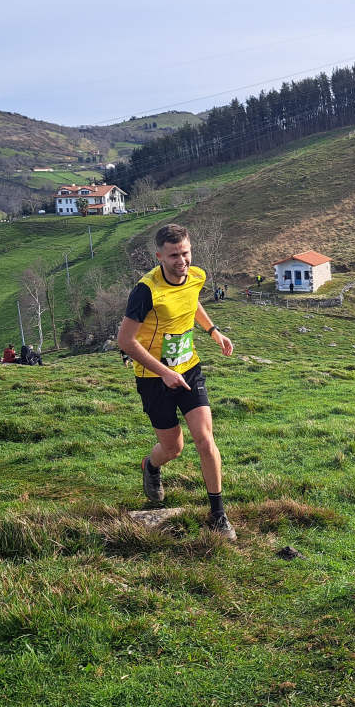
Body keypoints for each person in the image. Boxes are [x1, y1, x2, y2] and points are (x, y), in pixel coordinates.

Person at [117, 223, 237, 539]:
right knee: (173, 448)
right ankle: (151, 466)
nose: (181, 260)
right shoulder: (146, 290)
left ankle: (218, 515)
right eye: (173, 256)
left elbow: (191, 301)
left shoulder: (196, 275)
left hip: (189, 368)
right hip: (153, 378)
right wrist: (163, 372)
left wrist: (213, 331)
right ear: (159, 256)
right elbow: (126, 341)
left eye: (185, 252)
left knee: (204, 437)